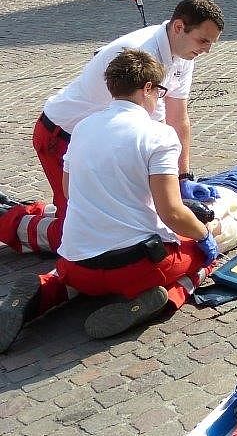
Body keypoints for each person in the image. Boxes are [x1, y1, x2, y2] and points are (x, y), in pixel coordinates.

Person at [0, 50, 224, 350]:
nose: (159, 98)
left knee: (67, 280)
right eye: (159, 91)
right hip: (136, 267)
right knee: (203, 258)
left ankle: (40, 293)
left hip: (76, 264)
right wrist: (204, 235)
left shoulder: (81, 128)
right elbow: (171, 212)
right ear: (147, 88)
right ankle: (164, 298)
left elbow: (68, 190)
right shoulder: (160, 135)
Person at [22, 0, 224, 255]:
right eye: (203, 40)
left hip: (100, 137)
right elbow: (155, 133)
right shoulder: (141, 53)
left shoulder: (184, 55)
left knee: (116, 216)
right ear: (178, 27)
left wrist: (183, 178)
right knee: (77, 232)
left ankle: (38, 212)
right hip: (62, 134)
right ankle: (10, 220)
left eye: (211, 43)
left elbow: (178, 116)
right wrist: (174, 200)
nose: (207, 50)